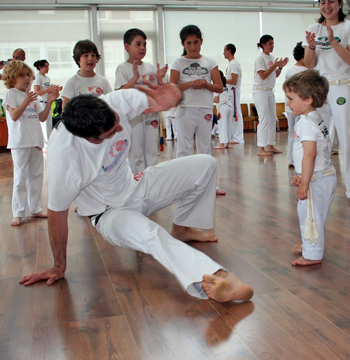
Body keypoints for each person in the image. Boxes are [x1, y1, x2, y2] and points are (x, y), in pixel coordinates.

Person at [18, 80, 254, 303]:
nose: (119, 128)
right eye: (111, 132)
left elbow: (158, 98)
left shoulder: (112, 104)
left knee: (205, 164)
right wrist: (59, 266)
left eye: (117, 120)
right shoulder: (66, 158)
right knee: (152, 234)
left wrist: (170, 99)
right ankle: (217, 277)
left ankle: (182, 228)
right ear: (89, 138)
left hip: (136, 186)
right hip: (110, 214)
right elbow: (56, 214)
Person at [284, 70, 336, 266]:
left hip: (316, 179)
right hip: (324, 175)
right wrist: (301, 175)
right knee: (316, 214)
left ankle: (312, 254)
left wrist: (305, 182)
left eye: (290, 99)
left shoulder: (305, 123)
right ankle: (310, 243)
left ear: (307, 99)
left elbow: (310, 154)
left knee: (309, 215)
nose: (288, 103)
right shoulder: (316, 117)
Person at [2, 61, 60, 226]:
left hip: (35, 140)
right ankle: (18, 212)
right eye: (22, 75)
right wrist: (25, 101)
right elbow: (14, 116)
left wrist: (49, 102)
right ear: (12, 78)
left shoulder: (32, 96)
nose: (27, 78)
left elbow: (41, 117)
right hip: (20, 142)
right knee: (21, 177)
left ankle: (35, 209)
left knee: (36, 176)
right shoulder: (11, 94)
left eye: (28, 75)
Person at [170, 25, 225, 195]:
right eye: (189, 43)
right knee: (184, 148)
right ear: (183, 44)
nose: (193, 47)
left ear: (201, 42)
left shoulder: (210, 62)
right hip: (185, 109)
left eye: (196, 42)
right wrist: (191, 84)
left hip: (205, 109)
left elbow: (220, 87)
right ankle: (183, 185)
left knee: (205, 148)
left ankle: (208, 185)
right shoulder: (178, 62)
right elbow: (172, 87)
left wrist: (206, 84)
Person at [303, 0, 350, 198]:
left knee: (345, 138)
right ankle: (316, 184)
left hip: (342, 86)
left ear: (340, 4)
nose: (327, 6)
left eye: (331, 1)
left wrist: (333, 42)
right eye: (323, 2)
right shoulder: (313, 29)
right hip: (320, 87)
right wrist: (312, 47)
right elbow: (309, 64)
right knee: (315, 136)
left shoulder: (347, 27)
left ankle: (349, 189)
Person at [114, 28, 166, 174]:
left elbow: (159, 92)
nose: (142, 48)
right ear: (127, 46)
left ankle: (151, 183)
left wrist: (160, 79)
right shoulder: (122, 68)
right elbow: (119, 93)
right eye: (138, 44)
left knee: (152, 151)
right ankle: (137, 183)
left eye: (144, 44)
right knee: (136, 153)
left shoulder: (150, 67)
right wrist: (135, 78)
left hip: (151, 114)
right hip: (134, 116)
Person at [253, 34, 289, 156]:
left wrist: (280, 67)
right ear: (263, 45)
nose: (272, 46)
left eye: (273, 43)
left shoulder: (272, 57)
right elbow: (262, 75)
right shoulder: (260, 58)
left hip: (269, 90)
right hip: (260, 90)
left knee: (272, 117)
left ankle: (270, 144)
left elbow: (275, 75)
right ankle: (260, 147)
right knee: (263, 118)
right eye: (270, 44)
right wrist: (274, 65)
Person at [61, 39, 112, 109]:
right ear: (78, 60)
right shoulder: (72, 82)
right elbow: (65, 108)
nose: (90, 58)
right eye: (86, 55)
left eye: (93, 55)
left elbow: (111, 103)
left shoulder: (103, 81)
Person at [284, 42, 307, 167]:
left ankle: (290, 159)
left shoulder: (290, 70)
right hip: (300, 107)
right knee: (300, 133)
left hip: (289, 106)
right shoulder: (306, 71)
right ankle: (298, 160)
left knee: (291, 132)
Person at [33, 59, 63, 145]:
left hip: (47, 102)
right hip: (41, 102)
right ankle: (45, 144)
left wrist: (54, 89)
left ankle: (49, 143)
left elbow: (48, 91)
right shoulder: (38, 77)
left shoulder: (47, 78)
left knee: (49, 124)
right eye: (45, 66)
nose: (47, 68)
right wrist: (48, 89)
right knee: (44, 125)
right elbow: (37, 91)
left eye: (48, 66)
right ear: (40, 67)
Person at [224, 43, 244, 145]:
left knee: (235, 114)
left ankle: (237, 138)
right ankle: (233, 136)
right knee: (231, 114)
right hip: (230, 91)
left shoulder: (234, 64)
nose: (223, 52)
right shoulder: (231, 64)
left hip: (233, 90)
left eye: (224, 50)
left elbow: (234, 80)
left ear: (229, 51)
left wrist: (223, 80)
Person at [213, 71, 233, 149]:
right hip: (229, 106)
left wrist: (209, 100)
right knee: (228, 125)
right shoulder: (226, 87)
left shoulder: (217, 87)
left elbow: (216, 100)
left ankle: (221, 144)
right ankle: (228, 143)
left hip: (222, 107)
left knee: (222, 125)